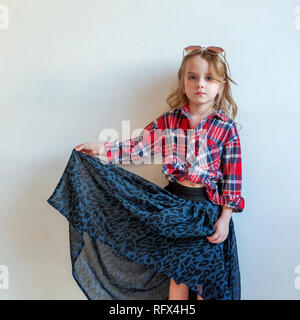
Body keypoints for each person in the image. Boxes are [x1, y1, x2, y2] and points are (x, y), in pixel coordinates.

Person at [49, 45, 244, 300]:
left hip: (205, 212)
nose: (200, 84)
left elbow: (233, 178)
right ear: (183, 81)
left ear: (221, 86)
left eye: (209, 78)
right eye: (193, 77)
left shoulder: (226, 128)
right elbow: (137, 146)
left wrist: (225, 218)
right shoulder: (170, 120)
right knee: (178, 275)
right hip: (171, 207)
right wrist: (102, 148)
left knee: (205, 280)